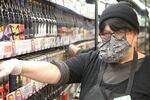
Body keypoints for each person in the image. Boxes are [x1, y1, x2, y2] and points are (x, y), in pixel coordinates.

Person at [0, 2, 149, 100]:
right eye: (106, 34)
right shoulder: (92, 60)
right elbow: (56, 70)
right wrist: (19, 66)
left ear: (135, 34)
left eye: (118, 34)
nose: (112, 40)